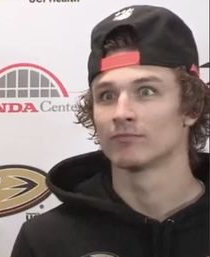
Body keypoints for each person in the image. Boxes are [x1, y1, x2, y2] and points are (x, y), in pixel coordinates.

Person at [11, 5, 209, 257]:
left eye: (146, 91)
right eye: (107, 95)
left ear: (192, 107)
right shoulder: (44, 239)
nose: (120, 112)